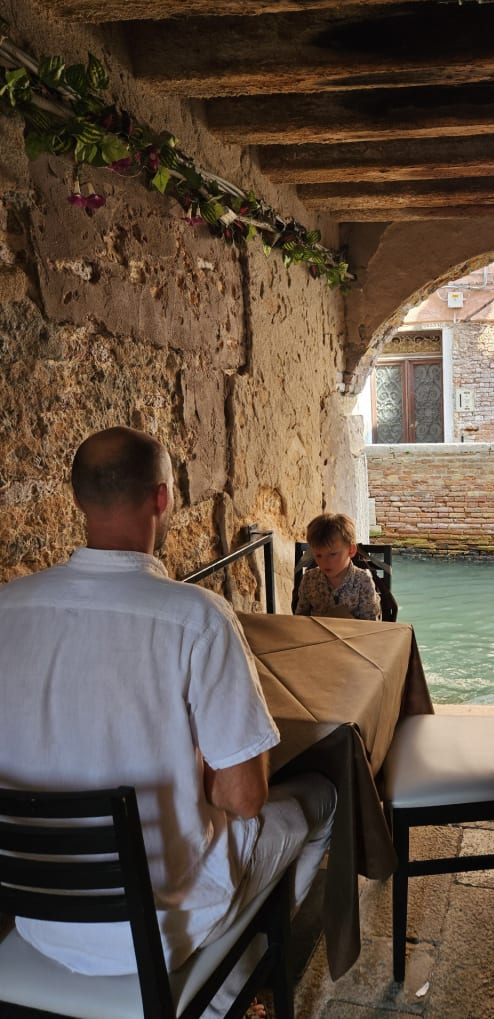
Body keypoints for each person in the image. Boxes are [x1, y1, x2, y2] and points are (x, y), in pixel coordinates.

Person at [0, 426, 336, 1005]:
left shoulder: (7, 609)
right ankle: (233, 981)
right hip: (160, 932)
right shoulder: (198, 620)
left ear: (76, 498)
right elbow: (244, 799)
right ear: (163, 498)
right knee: (319, 799)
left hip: (37, 923)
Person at [294, 512, 381, 620]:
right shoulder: (309, 579)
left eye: (332, 554)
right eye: (318, 555)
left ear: (351, 550)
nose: (325, 562)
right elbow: (300, 618)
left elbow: (371, 623)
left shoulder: (363, 581)